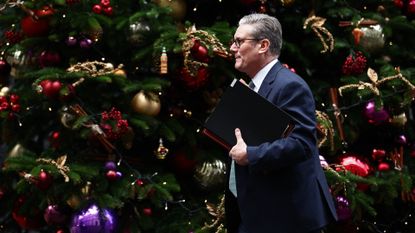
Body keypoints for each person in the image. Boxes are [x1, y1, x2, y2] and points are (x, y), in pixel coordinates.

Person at [225, 13, 338, 233]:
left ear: (263, 45)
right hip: (257, 214)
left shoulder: (289, 85)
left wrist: (251, 155)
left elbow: (302, 143)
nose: (232, 48)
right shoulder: (253, 87)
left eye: (239, 41)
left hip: (287, 217)